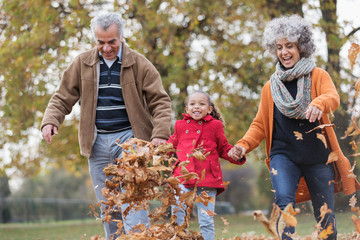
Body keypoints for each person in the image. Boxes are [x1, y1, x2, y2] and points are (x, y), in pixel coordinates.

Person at [41, 12, 172, 239]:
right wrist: (51, 120)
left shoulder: (140, 64)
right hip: (97, 142)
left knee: (134, 200)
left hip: (131, 141)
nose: (107, 47)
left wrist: (160, 133)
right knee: (109, 206)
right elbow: (62, 97)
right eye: (100, 42)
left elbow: (160, 101)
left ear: (121, 37)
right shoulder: (83, 63)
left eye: (112, 41)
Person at [228, 14, 360, 240]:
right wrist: (242, 145)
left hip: (318, 157)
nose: (284, 52)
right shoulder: (270, 87)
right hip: (283, 155)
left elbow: (333, 97)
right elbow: (259, 125)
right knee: (284, 203)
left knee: (325, 217)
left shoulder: (318, 76)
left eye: (290, 46)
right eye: (279, 47)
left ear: (301, 47)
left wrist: (319, 103)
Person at [167, 90, 246, 240]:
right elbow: (171, 145)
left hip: (207, 180)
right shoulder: (179, 125)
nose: (197, 107)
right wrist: (155, 152)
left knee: (206, 220)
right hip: (182, 178)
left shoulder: (215, 126)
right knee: (177, 216)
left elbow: (223, 148)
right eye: (192, 104)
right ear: (187, 109)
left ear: (209, 109)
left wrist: (235, 154)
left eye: (202, 104)